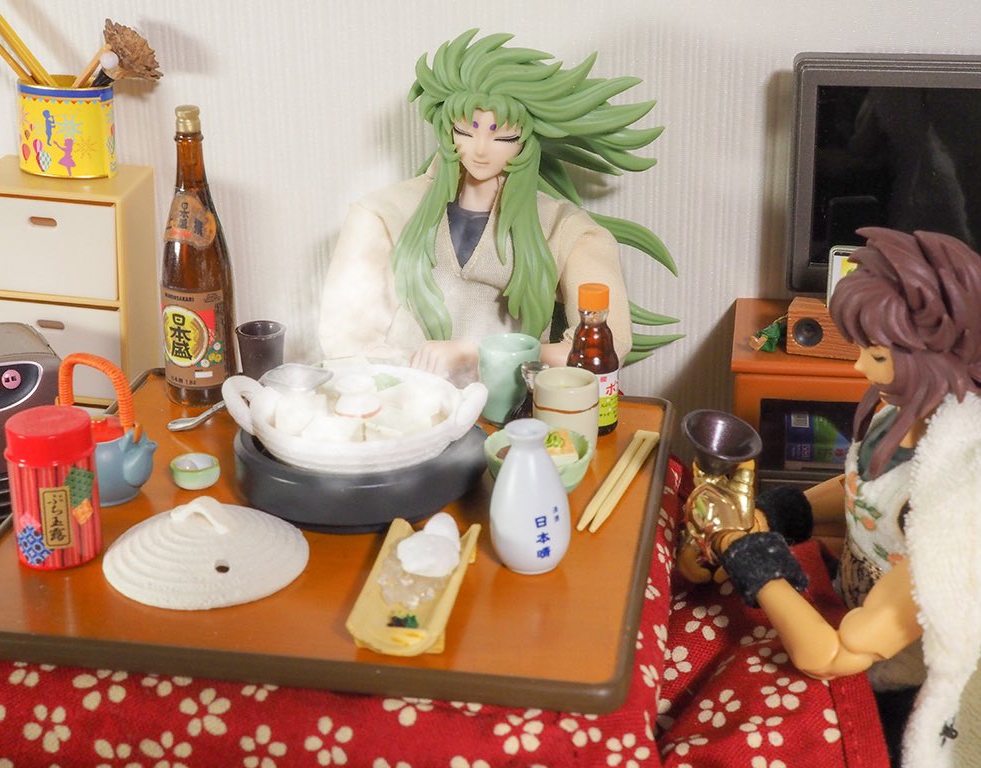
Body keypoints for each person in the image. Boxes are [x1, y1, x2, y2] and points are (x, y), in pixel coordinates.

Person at [686, 227, 981, 767]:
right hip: (846, 594)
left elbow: (830, 655)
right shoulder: (901, 413)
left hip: (890, 685)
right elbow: (864, 491)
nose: (859, 368)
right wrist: (781, 512)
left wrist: (751, 558)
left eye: (876, 355)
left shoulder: (956, 516)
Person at [318, 29, 672, 385]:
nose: (481, 149)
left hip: (513, 404)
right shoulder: (381, 214)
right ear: (447, 129)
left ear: (527, 141)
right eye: (465, 130)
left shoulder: (566, 230)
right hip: (403, 401)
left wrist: (480, 354)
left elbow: (606, 346)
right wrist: (410, 378)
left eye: (504, 136)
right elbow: (344, 340)